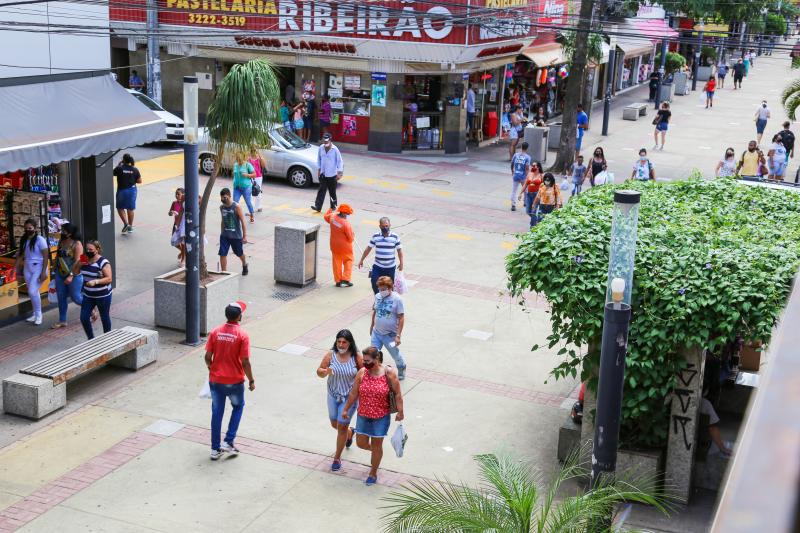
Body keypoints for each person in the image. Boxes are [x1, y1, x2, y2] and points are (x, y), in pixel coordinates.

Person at [341, 346, 404, 486]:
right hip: (363, 415)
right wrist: (345, 409)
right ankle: (376, 452)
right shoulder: (362, 373)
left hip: (381, 417)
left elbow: (398, 393)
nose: (365, 363)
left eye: (368, 361)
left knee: (377, 445)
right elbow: (353, 393)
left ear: (377, 359)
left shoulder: (389, 373)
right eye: (364, 361)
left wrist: (400, 411)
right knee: (361, 443)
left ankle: (373, 472)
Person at [205, 301, 255, 460]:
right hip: (235, 381)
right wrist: (251, 380)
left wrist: (211, 368)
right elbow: (245, 361)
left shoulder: (215, 332)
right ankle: (228, 441)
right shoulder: (242, 335)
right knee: (238, 407)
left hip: (216, 380)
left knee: (216, 413)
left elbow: (207, 357)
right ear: (239, 316)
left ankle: (215, 449)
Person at [316, 329, 363, 471]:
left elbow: (364, 374)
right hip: (332, 394)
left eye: (344, 342)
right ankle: (350, 433)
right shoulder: (331, 355)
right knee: (334, 423)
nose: (341, 345)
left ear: (350, 343)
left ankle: (337, 458)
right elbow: (319, 371)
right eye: (339, 342)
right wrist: (325, 372)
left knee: (341, 426)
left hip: (349, 398)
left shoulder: (357, 357)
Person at [370, 275, 406, 379]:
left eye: (384, 289)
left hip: (390, 335)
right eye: (380, 289)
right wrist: (372, 325)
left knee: (395, 354)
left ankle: (401, 367)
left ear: (391, 287)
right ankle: (374, 372)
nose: (381, 291)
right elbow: (375, 311)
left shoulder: (397, 299)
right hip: (376, 333)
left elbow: (401, 317)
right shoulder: (377, 296)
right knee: (373, 354)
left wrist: (398, 335)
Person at [14, 218, 49, 326]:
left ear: (35, 228)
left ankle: (39, 314)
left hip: (39, 267)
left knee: (32, 292)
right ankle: (35, 313)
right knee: (33, 292)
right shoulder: (24, 239)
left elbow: (46, 256)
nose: (28, 230)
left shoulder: (40, 240)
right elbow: (21, 255)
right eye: (26, 228)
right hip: (27, 267)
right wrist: (16, 269)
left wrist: (44, 272)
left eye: (30, 228)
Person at [52, 223, 84, 329]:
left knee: (76, 298)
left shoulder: (77, 244)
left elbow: (78, 261)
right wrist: (53, 269)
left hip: (74, 275)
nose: (62, 232)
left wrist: (71, 275)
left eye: (64, 231)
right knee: (61, 297)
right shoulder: (61, 242)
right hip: (60, 273)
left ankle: (91, 308)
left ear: (70, 233)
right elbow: (57, 255)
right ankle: (62, 320)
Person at [359, 217, 404, 294]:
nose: (385, 228)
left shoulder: (395, 237)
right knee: (374, 282)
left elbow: (399, 250)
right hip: (378, 266)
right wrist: (361, 260)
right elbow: (368, 248)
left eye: (387, 226)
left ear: (390, 225)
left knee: (390, 287)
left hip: (390, 268)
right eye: (383, 226)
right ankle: (378, 299)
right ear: (380, 226)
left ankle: (388, 301)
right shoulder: (375, 236)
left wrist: (401, 263)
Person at [79, 240, 112, 339]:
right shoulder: (84, 258)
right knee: (84, 317)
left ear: (97, 250)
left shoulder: (103, 262)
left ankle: (107, 338)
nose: (88, 251)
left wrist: (96, 282)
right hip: (88, 295)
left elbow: (109, 279)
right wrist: (78, 263)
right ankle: (91, 338)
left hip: (103, 295)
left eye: (91, 249)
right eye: (87, 249)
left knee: (104, 317)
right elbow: (75, 272)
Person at [218, 188, 249, 276]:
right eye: (222, 198)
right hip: (225, 235)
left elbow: (243, 221)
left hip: (236, 236)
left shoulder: (236, 207)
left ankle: (244, 264)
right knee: (222, 253)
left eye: (225, 197)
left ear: (230, 196)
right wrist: (221, 233)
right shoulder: (221, 207)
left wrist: (245, 236)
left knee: (239, 253)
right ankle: (224, 273)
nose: (223, 200)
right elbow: (222, 220)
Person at [323, 204, 355, 287]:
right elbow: (350, 238)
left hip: (334, 245)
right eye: (347, 214)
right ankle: (346, 279)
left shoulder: (332, 216)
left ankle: (338, 280)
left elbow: (325, 217)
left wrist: (331, 209)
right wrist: (353, 235)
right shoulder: (346, 224)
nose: (347, 216)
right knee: (349, 261)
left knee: (336, 262)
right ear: (344, 213)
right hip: (345, 247)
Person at [311, 133, 344, 212]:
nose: (325, 143)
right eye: (324, 141)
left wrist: (339, 173)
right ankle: (318, 206)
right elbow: (318, 159)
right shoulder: (321, 148)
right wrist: (319, 169)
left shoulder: (335, 149)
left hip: (332, 175)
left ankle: (333, 207)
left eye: (327, 141)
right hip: (323, 174)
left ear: (330, 140)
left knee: (332, 193)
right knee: (321, 191)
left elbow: (340, 162)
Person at [114, 153, 141, 234]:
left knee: (120, 208)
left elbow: (113, 173)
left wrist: (119, 165)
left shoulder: (119, 168)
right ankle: (130, 226)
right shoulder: (135, 169)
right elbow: (139, 181)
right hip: (132, 191)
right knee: (130, 208)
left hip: (122, 190)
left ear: (123, 160)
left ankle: (126, 224)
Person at [231, 152, 256, 224]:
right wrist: (234, 181)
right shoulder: (235, 165)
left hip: (246, 187)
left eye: (240, 159)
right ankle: (235, 217)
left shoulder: (248, 165)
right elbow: (234, 174)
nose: (239, 161)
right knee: (235, 202)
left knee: (248, 202)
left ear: (243, 158)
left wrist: (247, 175)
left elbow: (254, 175)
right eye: (238, 159)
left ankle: (252, 215)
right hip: (236, 187)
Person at [510, 141, 531, 212]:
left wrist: (512, 171)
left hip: (516, 174)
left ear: (521, 147)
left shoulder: (516, 155)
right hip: (523, 176)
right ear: (527, 148)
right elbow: (527, 168)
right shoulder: (528, 157)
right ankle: (525, 202)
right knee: (526, 189)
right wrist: (528, 176)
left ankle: (513, 205)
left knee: (514, 190)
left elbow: (512, 163)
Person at [168, 188, 186, 265]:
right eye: (176, 194)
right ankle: (183, 252)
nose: (177, 195)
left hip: (182, 226)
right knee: (174, 241)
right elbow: (169, 213)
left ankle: (183, 259)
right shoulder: (174, 203)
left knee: (182, 243)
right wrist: (171, 212)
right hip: (176, 225)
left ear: (183, 195)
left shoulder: (185, 204)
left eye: (178, 194)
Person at [247, 147, 266, 213]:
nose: (254, 152)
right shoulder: (248, 159)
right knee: (249, 192)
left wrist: (261, 157)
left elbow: (263, 166)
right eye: (252, 151)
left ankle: (259, 206)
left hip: (258, 177)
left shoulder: (259, 158)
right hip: (250, 177)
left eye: (255, 151)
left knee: (258, 191)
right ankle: (251, 208)